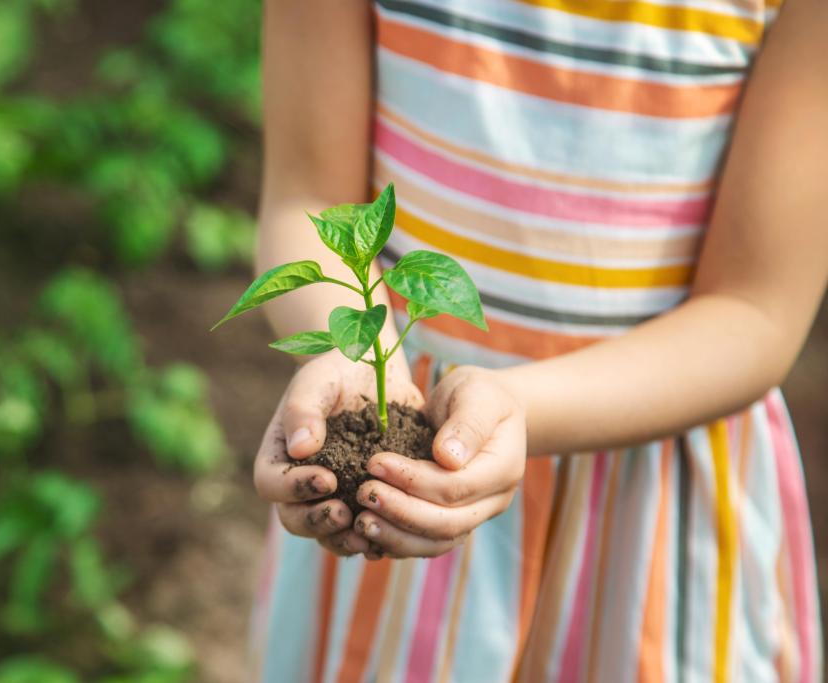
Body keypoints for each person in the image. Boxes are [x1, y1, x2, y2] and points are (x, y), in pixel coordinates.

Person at [246, 0, 826, 680]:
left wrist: (514, 406)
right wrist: (345, 352)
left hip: (652, 483)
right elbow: (310, 196)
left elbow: (754, 309)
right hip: (405, 456)